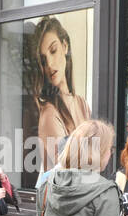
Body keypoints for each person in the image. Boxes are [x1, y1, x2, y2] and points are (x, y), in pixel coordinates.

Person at [33, 17, 91, 170]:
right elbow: (69, 165)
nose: (50, 65)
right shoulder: (49, 113)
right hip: (64, 191)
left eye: (53, 51)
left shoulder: (81, 103)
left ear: (65, 46)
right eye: (44, 61)